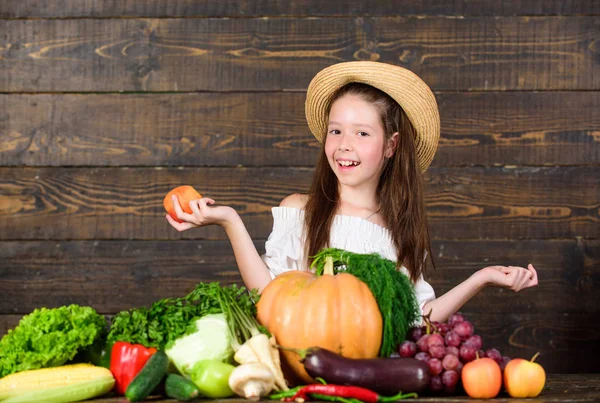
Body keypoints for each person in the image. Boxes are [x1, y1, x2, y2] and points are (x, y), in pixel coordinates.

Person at [166, 61, 538, 323]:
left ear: (391, 145)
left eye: (362, 133)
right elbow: (268, 297)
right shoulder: (300, 210)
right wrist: (229, 220)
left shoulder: (398, 234)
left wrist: (482, 277)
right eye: (336, 130)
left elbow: (416, 321)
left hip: (363, 382)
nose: (345, 145)